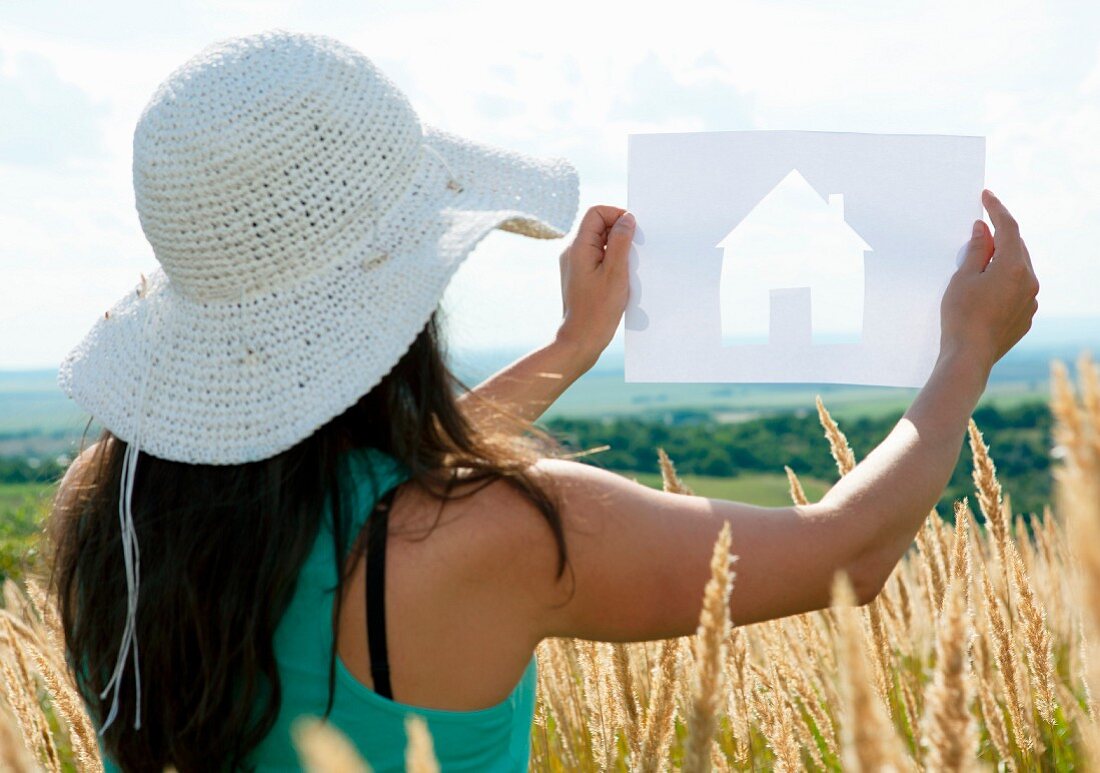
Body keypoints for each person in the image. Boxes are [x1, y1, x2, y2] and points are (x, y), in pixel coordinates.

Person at [46, 29, 1038, 773]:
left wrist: (569, 347)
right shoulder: (507, 531)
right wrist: (964, 354)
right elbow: (846, 554)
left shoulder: (114, 500)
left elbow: (356, 482)